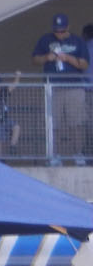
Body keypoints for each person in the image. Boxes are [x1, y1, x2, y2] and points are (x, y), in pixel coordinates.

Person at [32, 12, 89, 163]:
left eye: (62, 31)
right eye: (57, 31)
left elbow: (84, 64)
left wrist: (68, 58)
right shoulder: (45, 39)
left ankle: (78, 154)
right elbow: (35, 59)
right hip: (52, 88)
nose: (59, 34)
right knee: (53, 123)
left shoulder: (77, 41)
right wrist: (46, 57)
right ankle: (54, 155)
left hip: (74, 87)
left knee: (76, 122)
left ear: (68, 27)